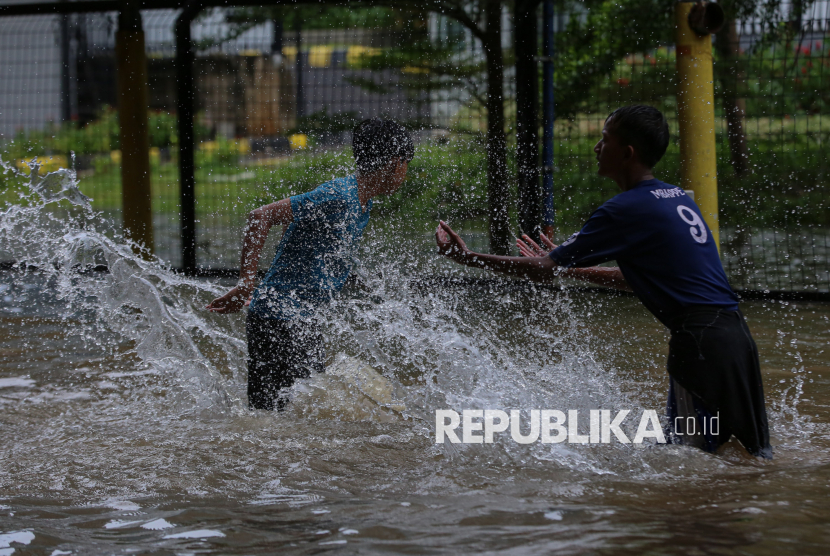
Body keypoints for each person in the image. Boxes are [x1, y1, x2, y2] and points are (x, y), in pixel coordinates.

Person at [435, 105, 772, 458]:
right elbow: (637, 279)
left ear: (627, 153)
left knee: (693, 461)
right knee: (750, 457)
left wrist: (468, 258)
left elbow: (544, 268)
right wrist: (572, 269)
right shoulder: (675, 198)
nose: (597, 147)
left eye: (605, 139)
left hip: (700, 346)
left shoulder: (625, 208)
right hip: (735, 340)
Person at [207, 119, 414, 410]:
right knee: (274, 415)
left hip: (301, 318)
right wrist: (246, 284)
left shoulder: (361, 201)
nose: (405, 174)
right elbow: (260, 216)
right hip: (278, 319)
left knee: (297, 410)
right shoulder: (339, 195)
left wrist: (276, 283)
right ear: (395, 163)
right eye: (406, 165)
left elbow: (298, 228)